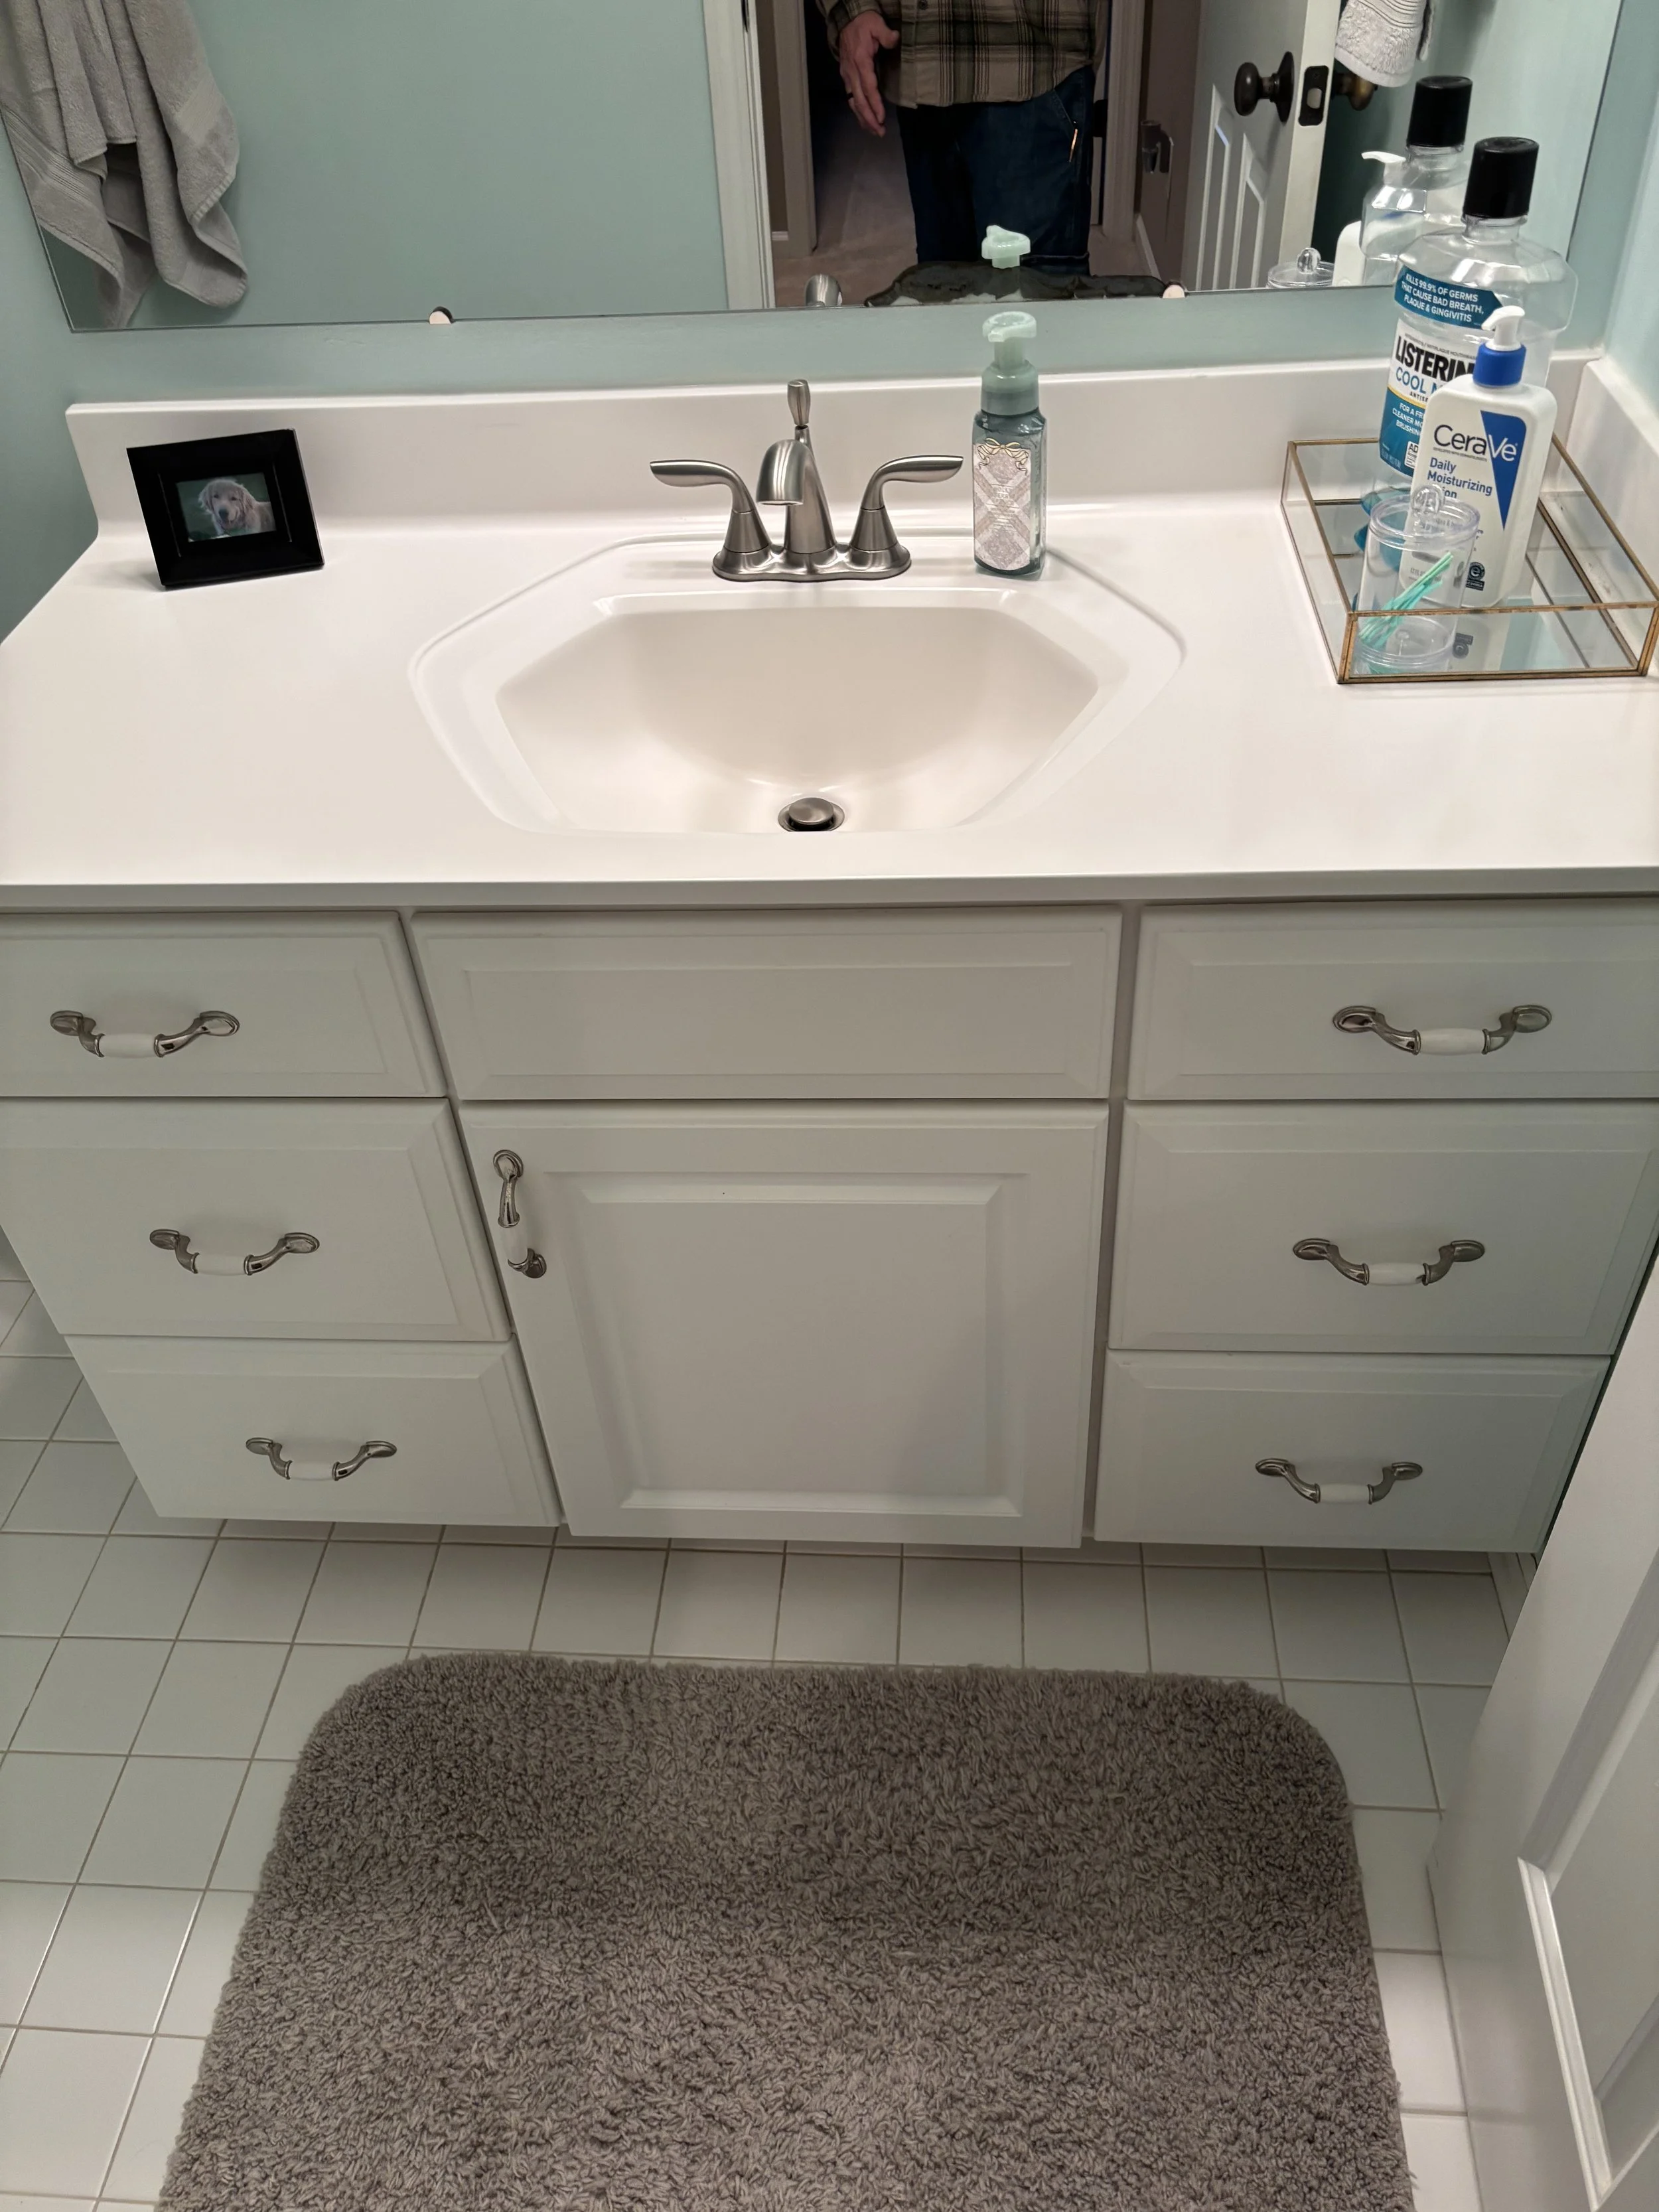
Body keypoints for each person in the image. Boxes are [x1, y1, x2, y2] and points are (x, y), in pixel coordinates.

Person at [818, 0, 1100, 275]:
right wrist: (850, 9)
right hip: (921, 66)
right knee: (943, 291)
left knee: (1038, 300)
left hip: (1031, 63)